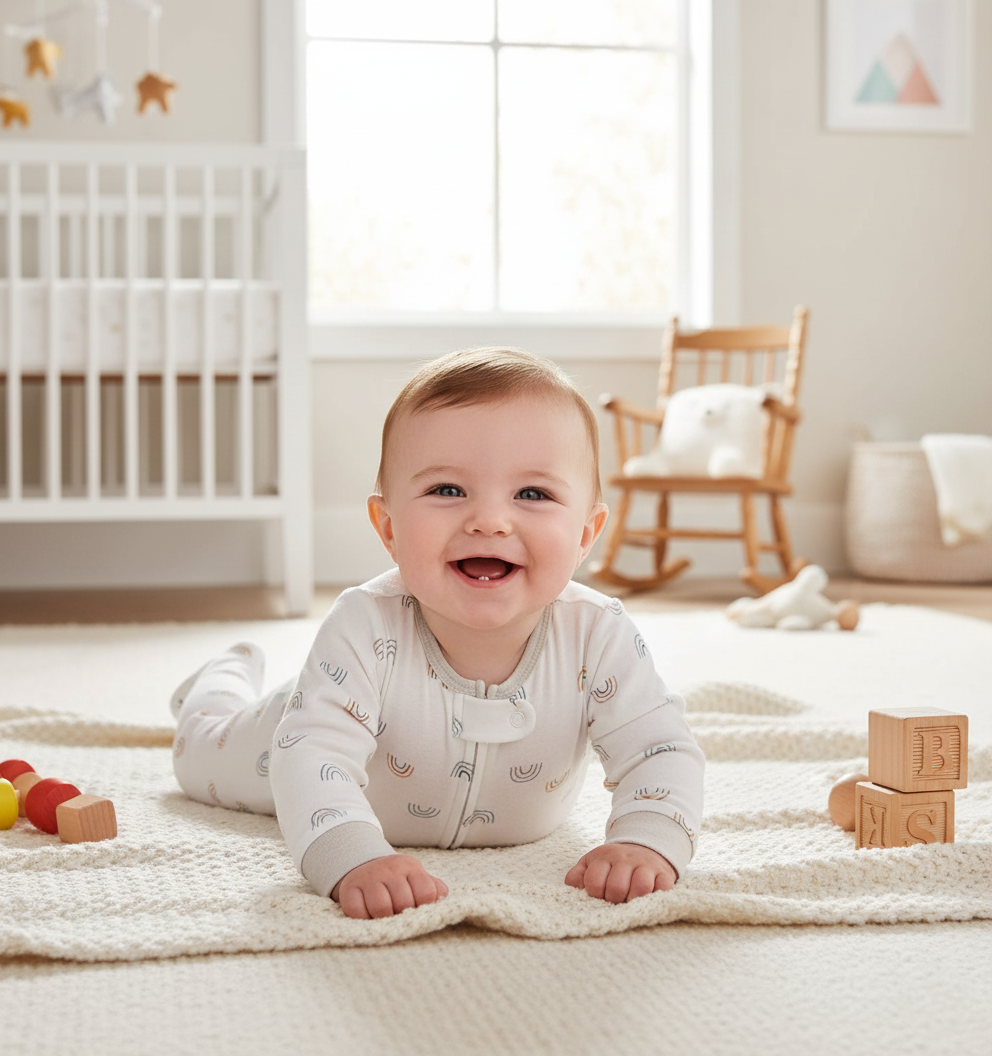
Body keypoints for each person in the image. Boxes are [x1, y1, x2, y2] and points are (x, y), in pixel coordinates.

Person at [171, 347, 704, 920]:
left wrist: (648, 839)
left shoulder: (598, 634)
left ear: (585, 534)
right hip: (285, 731)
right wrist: (352, 856)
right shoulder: (364, 623)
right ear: (390, 528)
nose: (489, 520)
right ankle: (220, 681)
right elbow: (311, 754)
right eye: (448, 490)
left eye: (533, 494)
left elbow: (661, 747)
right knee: (199, 748)